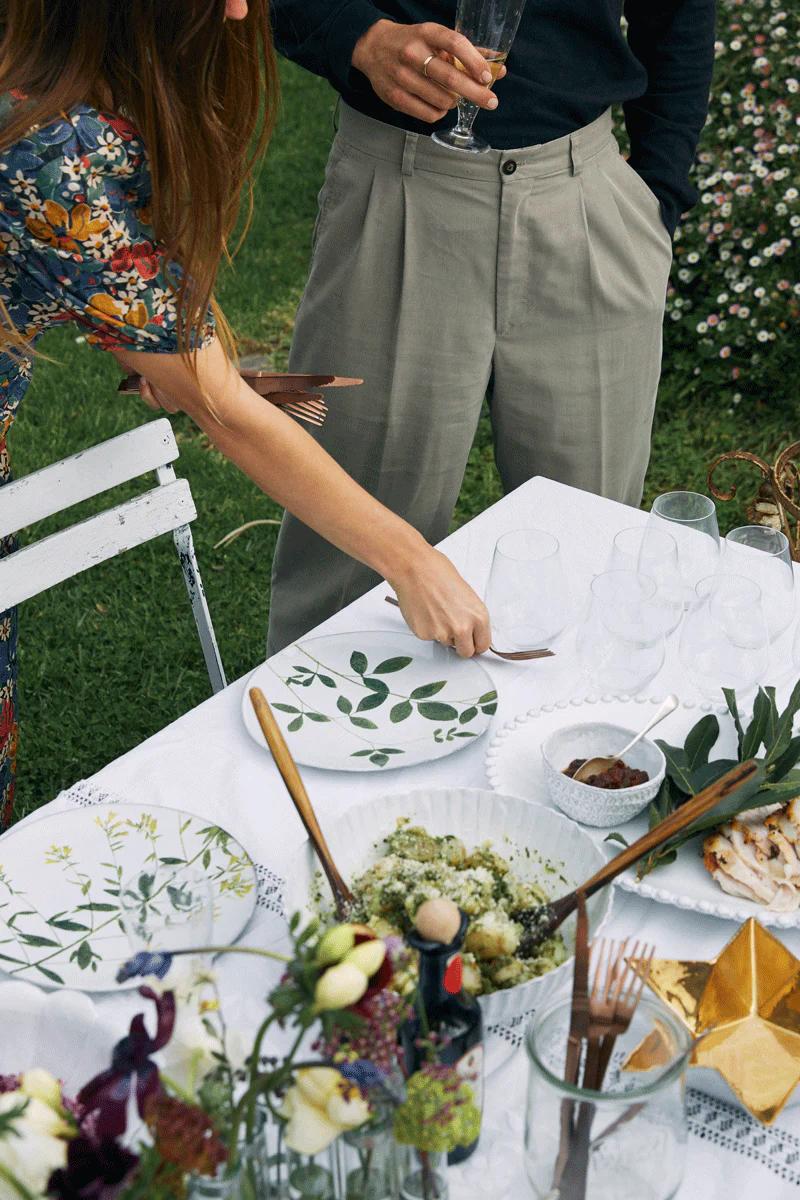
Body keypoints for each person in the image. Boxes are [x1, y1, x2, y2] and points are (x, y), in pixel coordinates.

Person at [0, 0, 491, 826]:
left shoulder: (42, 77)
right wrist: (412, 561)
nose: (239, 6)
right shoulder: (54, 152)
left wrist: (167, 349)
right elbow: (221, 408)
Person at [267, 0, 717, 653]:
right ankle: (304, 753)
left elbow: (679, 17)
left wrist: (657, 201)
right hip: (398, 190)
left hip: (584, 196)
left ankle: (567, 751)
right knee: (350, 567)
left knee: (588, 560)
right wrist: (358, 37)